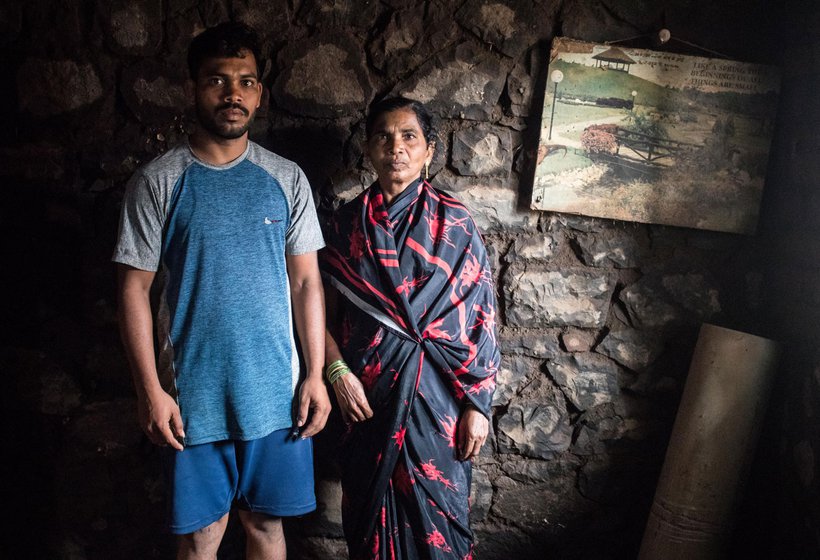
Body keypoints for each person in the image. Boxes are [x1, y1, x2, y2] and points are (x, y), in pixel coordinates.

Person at [112, 21, 330, 560]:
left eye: (246, 81)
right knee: (199, 539)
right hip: (192, 398)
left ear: (260, 93)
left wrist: (315, 376)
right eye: (217, 80)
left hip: (277, 396)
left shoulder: (286, 179)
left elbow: (306, 282)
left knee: (266, 530)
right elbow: (132, 291)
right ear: (194, 87)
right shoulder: (159, 181)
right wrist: (149, 391)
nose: (233, 94)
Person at [320, 97, 499, 559]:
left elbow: (480, 318)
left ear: (429, 151)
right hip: (367, 400)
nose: (395, 147)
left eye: (409, 137)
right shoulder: (344, 228)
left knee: (441, 528)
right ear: (368, 148)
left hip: (439, 406)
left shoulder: (455, 225)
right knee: (370, 524)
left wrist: (478, 405)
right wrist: (338, 374)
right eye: (383, 136)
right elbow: (316, 314)